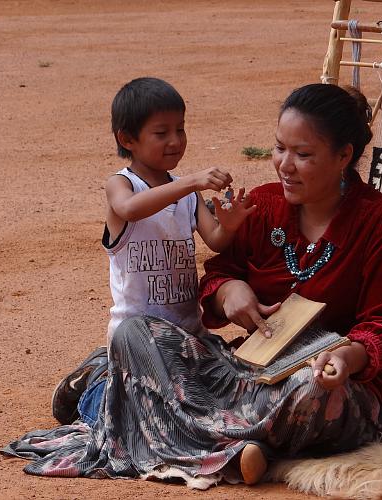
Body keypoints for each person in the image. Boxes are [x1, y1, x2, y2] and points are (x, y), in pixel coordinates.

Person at [2, 83, 382, 488]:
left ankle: (123, 401)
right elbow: (221, 270)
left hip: (332, 381)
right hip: (250, 372)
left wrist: (347, 357)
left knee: (308, 394)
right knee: (137, 332)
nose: (284, 165)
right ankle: (228, 441)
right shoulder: (266, 203)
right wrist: (228, 290)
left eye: (303, 154)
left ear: (343, 155)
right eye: (279, 148)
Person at [50, 77, 255, 426]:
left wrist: (231, 222)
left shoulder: (186, 195)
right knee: (139, 411)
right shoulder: (123, 184)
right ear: (127, 139)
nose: (176, 140)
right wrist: (189, 181)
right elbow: (129, 208)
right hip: (137, 338)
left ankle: (103, 375)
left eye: (181, 129)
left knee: (214, 389)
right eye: (162, 133)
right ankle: (93, 386)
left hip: (187, 334)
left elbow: (216, 240)